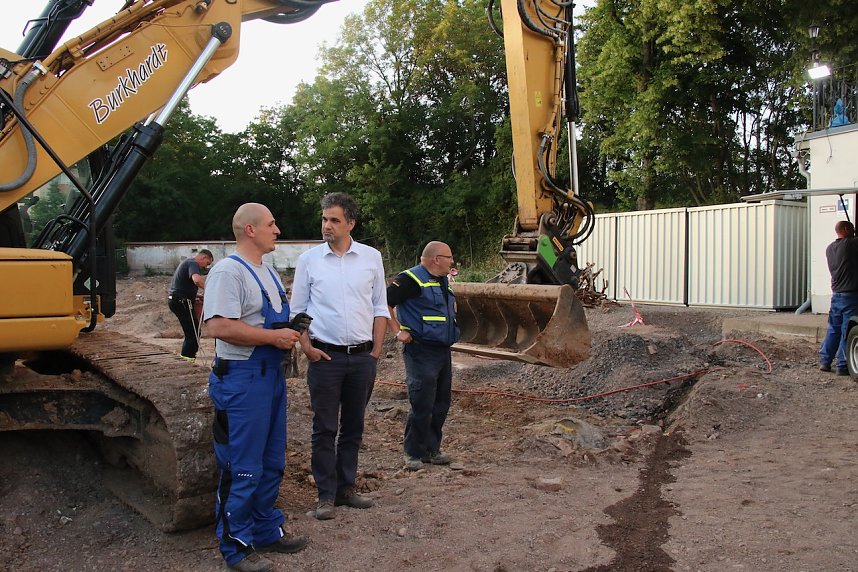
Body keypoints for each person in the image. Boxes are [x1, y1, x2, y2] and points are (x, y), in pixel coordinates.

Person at [203, 203, 309, 572]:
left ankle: (266, 529)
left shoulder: (269, 272)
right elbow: (217, 326)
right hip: (242, 381)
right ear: (250, 230)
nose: (277, 230)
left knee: (271, 461)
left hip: (270, 378)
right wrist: (272, 336)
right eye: (271, 224)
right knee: (242, 466)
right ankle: (236, 546)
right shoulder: (228, 272)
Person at [290, 192, 389, 520]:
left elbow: (379, 306)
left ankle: (347, 488)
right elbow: (299, 310)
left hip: (362, 359)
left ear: (351, 223)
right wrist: (307, 347)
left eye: (334, 220)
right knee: (324, 428)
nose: (327, 225)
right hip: (325, 358)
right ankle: (326, 495)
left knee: (354, 427)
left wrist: (375, 351)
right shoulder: (310, 261)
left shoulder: (371, 257)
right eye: (324, 219)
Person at [386, 241, 460, 471]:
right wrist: (398, 331)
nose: (452, 261)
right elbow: (383, 303)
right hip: (420, 350)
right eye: (449, 257)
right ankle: (413, 453)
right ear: (436, 259)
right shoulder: (410, 280)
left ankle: (431, 450)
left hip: (442, 349)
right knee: (422, 402)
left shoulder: (441, 279)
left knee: (441, 402)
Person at [819, 220, 858, 376]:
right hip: (851, 295)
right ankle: (842, 365)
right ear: (847, 229)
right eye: (853, 229)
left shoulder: (830, 248)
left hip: (836, 294)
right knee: (847, 330)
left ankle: (825, 361)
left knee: (833, 328)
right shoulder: (850, 245)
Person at [168, 249, 213, 362]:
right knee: (193, 333)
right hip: (181, 301)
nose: (205, 267)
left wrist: (196, 296)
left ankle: (188, 358)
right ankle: (187, 360)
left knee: (192, 331)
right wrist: (212, 289)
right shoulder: (193, 263)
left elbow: (182, 286)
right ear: (203, 258)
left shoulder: (187, 262)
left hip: (177, 300)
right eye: (207, 263)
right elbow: (197, 280)